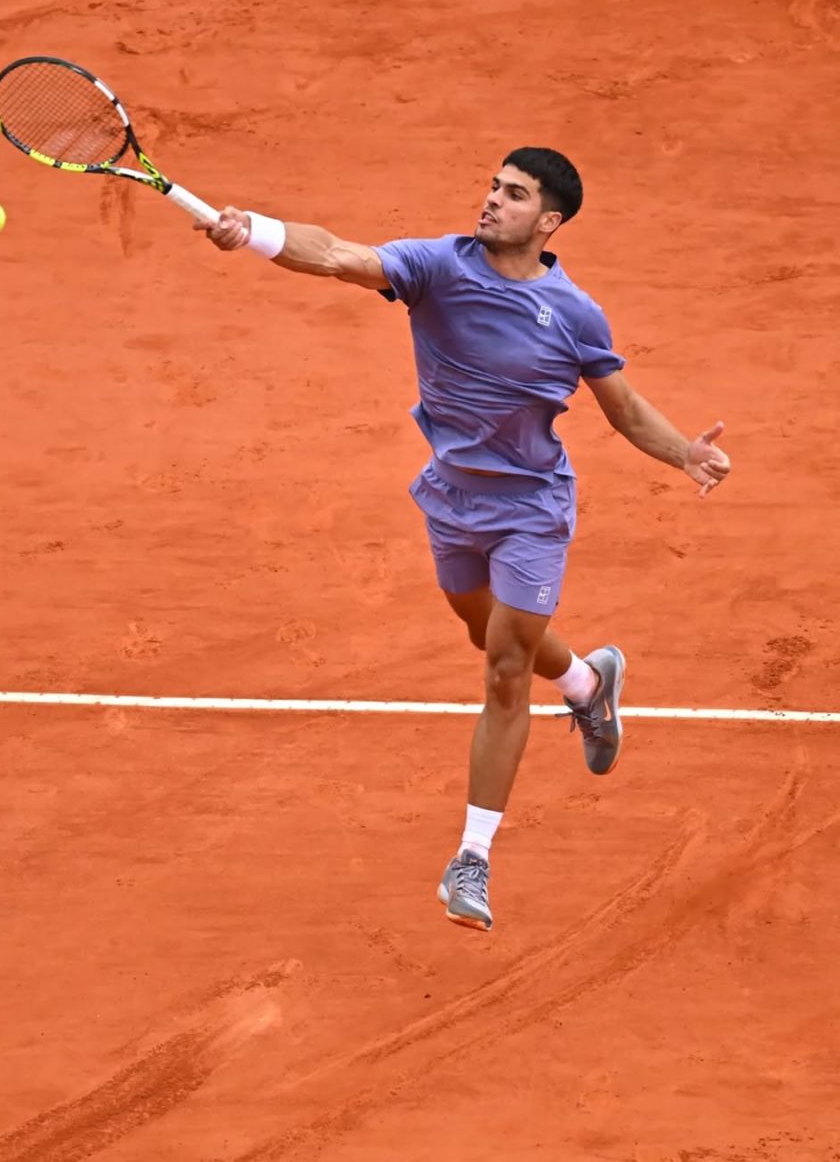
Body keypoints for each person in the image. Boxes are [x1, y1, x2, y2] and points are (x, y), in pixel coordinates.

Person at [196, 147, 731, 933]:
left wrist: (685, 452)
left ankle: (471, 859)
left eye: (513, 195)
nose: (491, 201)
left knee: (506, 666)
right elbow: (341, 255)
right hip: (452, 497)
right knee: (482, 627)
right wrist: (259, 232)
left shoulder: (573, 313)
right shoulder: (437, 267)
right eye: (492, 186)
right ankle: (587, 683)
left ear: (548, 222)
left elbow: (623, 408)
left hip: (531, 509)